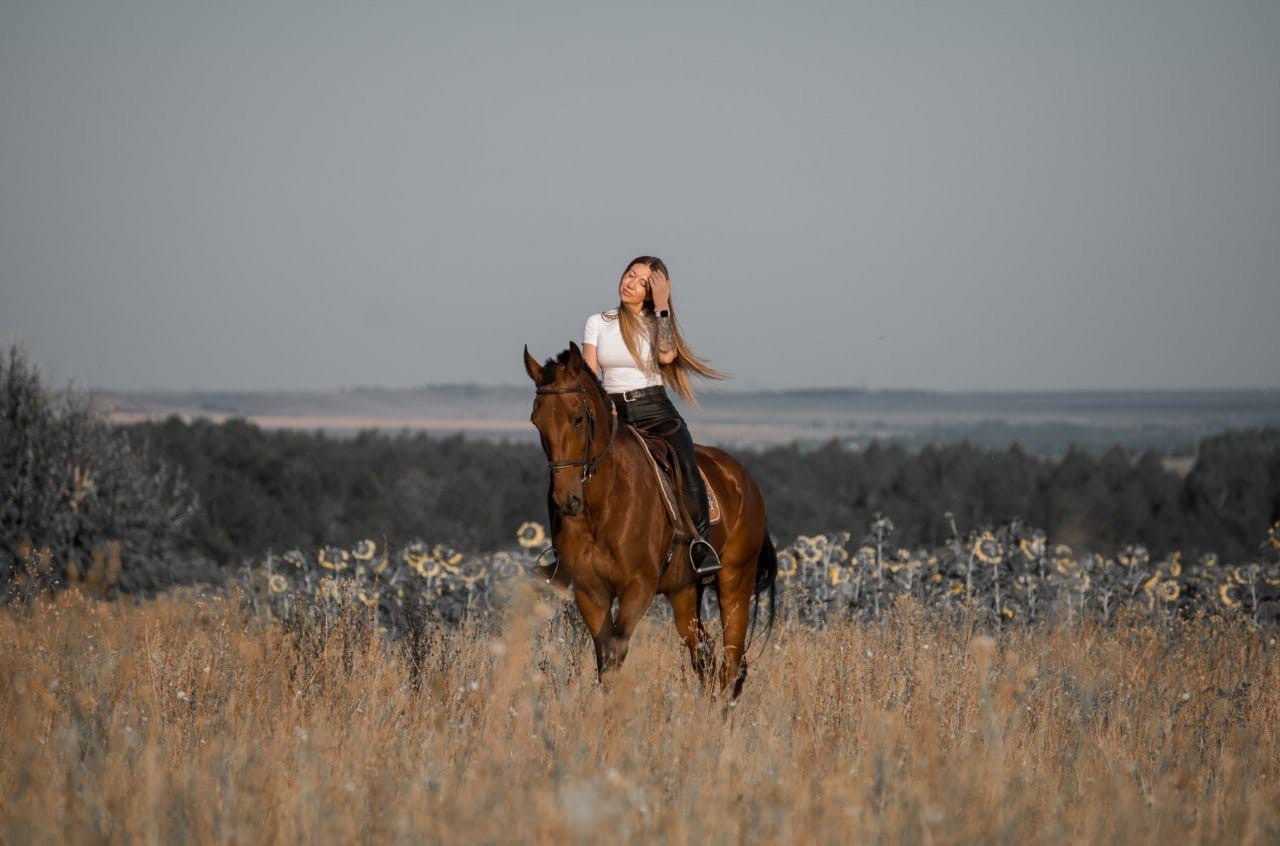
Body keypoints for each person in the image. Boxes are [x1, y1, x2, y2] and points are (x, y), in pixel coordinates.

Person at [582, 256, 728, 574]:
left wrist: (662, 305)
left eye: (642, 282)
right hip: (613, 414)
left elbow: (666, 356)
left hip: (655, 411)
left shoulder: (656, 323)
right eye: (629, 275)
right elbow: (589, 374)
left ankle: (700, 546)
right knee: (571, 467)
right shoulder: (598, 322)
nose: (630, 283)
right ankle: (565, 548)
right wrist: (600, 405)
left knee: (688, 468)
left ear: (651, 293)